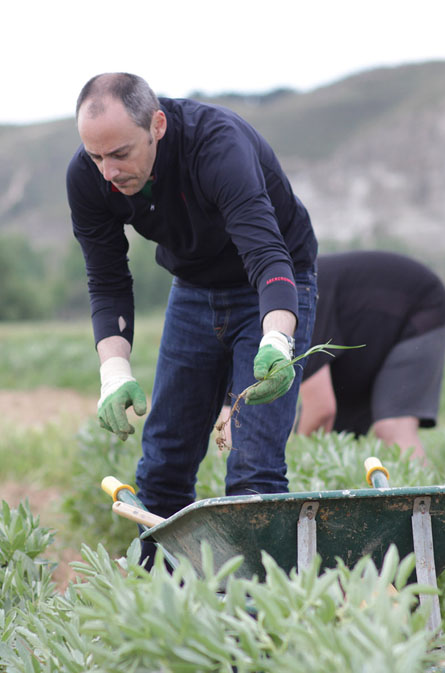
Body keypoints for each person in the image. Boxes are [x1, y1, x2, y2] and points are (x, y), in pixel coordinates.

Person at [66, 73, 318, 537]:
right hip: (195, 287)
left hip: (273, 283)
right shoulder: (89, 178)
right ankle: (164, 600)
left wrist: (279, 340)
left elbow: (267, 254)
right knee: (162, 466)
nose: (109, 172)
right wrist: (113, 373)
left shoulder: (217, 146)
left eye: (121, 154)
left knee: (253, 472)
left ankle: (254, 608)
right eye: (95, 155)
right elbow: (106, 280)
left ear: (157, 125)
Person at [295, 250, 445, 460]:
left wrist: (295, 458)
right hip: (373, 328)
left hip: (421, 306)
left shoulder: (300, 298)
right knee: (336, 427)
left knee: (393, 426)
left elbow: (320, 408)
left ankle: (420, 492)